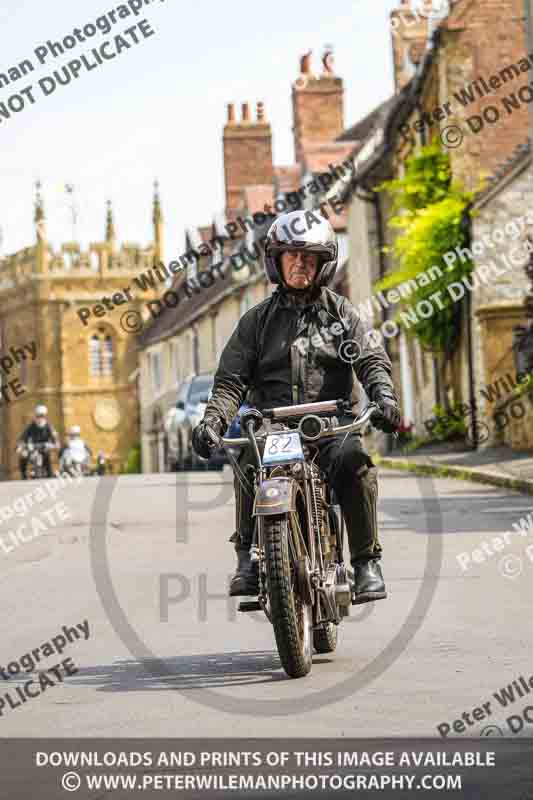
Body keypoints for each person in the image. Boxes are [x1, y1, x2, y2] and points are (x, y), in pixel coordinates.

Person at [192, 210, 400, 603]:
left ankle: (365, 564)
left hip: (329, 423)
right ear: (277, 261)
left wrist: (383, 396)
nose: (300, 264)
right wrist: (212, 421)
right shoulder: (256, 323)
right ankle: (247, 560)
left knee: (356, 463)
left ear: (324, 264)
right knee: (249, 461)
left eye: (310, 257)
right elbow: (231, 380)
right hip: (274, 426)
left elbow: (370, 360)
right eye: (292, 256)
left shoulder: (342, 314)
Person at [17, 404, 59, 479]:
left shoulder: (49, 426)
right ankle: (23, 474)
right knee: (23, 455)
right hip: (33, 447)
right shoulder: (31, 426)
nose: (40, 418)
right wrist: (20, 445)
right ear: (35, 415)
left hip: (44, 447)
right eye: (38, 416)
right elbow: (23, 437)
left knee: (48, 461)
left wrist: (56, 444)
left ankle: (50, 473)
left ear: (45, 416)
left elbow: (54, 437)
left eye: (42, 416)